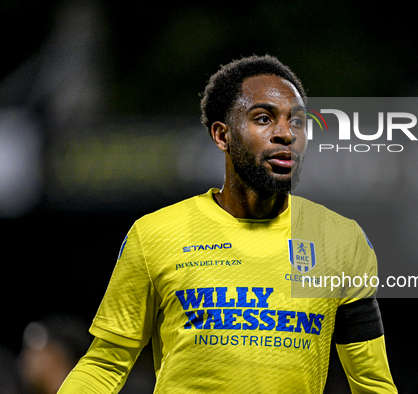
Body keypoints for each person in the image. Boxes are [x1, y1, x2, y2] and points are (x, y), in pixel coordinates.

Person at [57, 55, 397, 393]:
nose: (285, 134)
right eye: (264, 118)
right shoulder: (154, 235)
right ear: (222, 135)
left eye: (296, 122)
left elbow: (371, 381)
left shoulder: (342, 240)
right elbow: (105, 363)